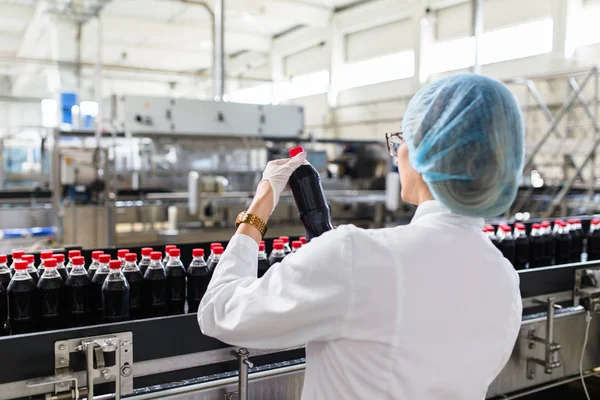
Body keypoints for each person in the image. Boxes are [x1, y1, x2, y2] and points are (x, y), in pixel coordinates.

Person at [198, 74, 524, 399]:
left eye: (401, 140)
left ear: (416, 153)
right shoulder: (505, 279)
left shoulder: (356, 257)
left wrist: (260, 204)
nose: (397, 153)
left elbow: (219, 311)